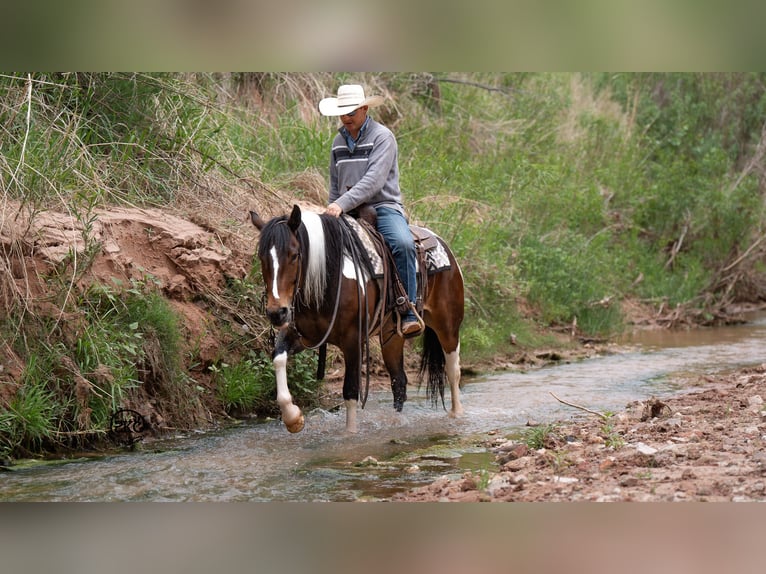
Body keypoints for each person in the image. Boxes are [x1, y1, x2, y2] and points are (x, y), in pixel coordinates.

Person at [318, 84, 422, 337]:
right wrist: (334, 208)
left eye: (351, 112)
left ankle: (408, 309)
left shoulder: (383, 137)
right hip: (345, 210)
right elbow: (335, 182)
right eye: (342, 113)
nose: (346, 118)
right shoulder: (337, 142)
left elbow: (374, 181)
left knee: (403, 243)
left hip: (382, 206)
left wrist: (340, 204)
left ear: (364, 108)